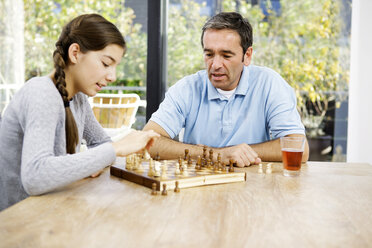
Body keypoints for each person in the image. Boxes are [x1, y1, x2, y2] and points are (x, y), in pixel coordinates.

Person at [0, 14, 159, 211]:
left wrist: (101, 156)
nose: (112, 76)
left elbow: (100, 143)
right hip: (20, 222)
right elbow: (35, 175)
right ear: (75, 53)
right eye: (106, 63)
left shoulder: (78, 99)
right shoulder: (41, 93)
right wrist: (116, 149)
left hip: (54, 209)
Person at [143, 12, 309, 166]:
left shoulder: (269, 83)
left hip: (254, 188)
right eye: (209, 54)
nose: (215, 65)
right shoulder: (186, 88)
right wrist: (218, 155)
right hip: (199, 187)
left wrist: (238, 153)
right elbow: (147, 142)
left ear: (247, 55)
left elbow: (299, 148)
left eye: (226, 55)